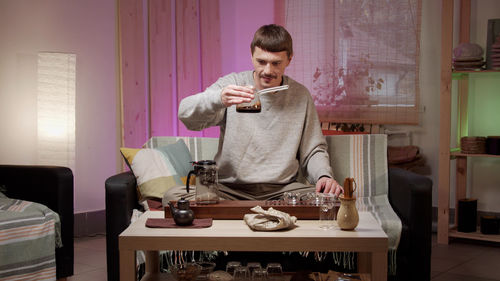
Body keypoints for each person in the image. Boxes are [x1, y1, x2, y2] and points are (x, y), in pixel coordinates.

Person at [165, 24, 342, 202]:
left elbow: (313, 150)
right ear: (251, 55)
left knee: (332, 200)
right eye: (261, 62)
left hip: (281, 191)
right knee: (173, 197)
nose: (267, 71)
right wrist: (218, 98)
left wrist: (323, 176)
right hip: (229, 189)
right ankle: (255, 212)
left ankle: (243, 213)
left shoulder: (300, 95)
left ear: (289, 59)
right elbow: (185, 113)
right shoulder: (232, 85)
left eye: (276, 63)